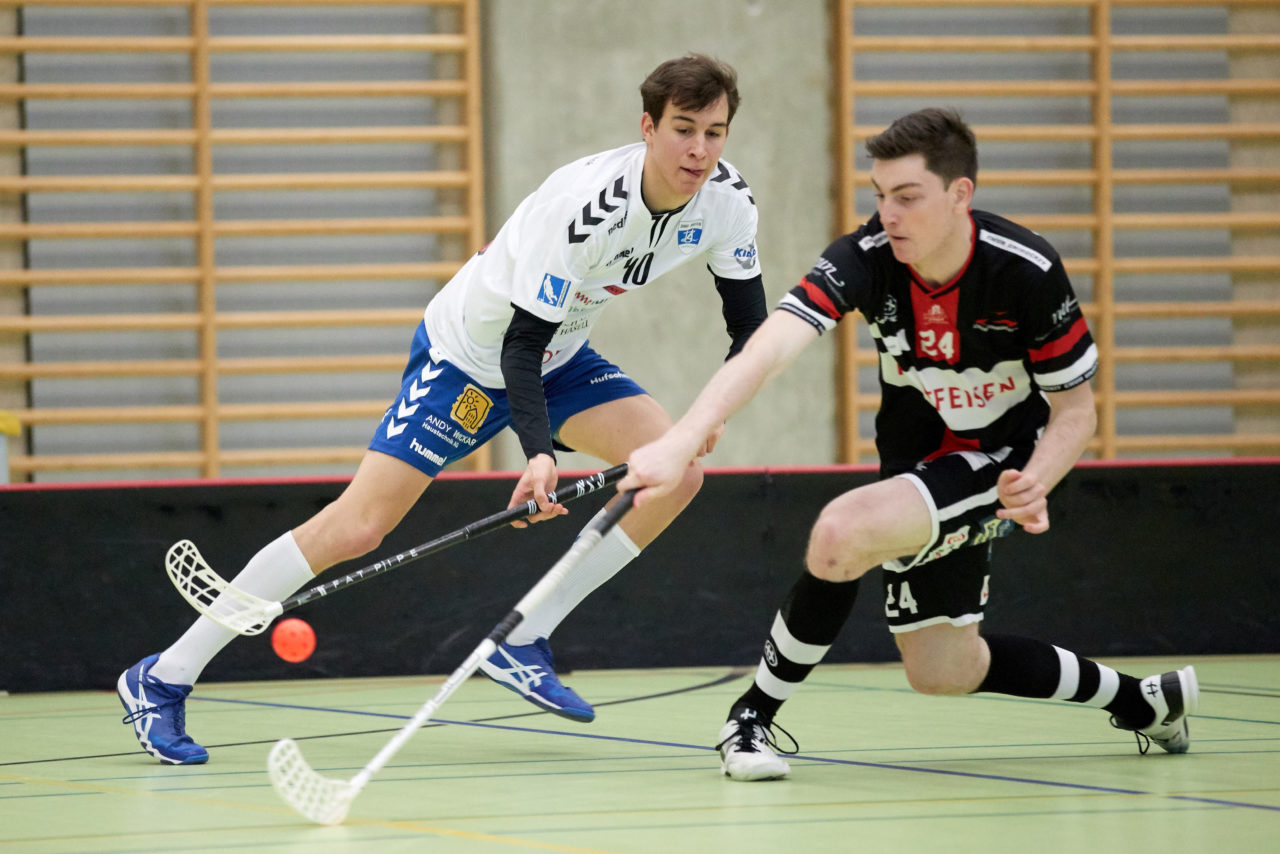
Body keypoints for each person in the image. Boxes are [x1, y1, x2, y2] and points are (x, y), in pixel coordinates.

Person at [118, 54, 767, 765]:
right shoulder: (582, 212)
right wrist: (540, 455)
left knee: (675, 475)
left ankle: (522, 640)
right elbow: (518, 347)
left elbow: (749, 327)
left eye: (715, 131)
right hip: (470, 357)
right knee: (356, 527)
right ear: (648, 128)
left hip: (564, 355)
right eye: (683, 129)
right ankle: (162, 677)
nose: (700, 150)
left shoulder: (727, 202)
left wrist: (710, 416)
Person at [619, 108, 1197, 781]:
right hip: (917, 465)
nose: (888, 215)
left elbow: (1076, 412)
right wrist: (684, 439)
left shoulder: (1027, 272)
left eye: (908, 197)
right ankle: (1145, 702)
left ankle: (748, 718)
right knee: (946, 670)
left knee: (841, 532)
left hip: (1003, 460)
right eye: (880, 196)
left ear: (960, 195)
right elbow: (773, 344)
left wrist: (1039, 478)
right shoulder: (868, 258)